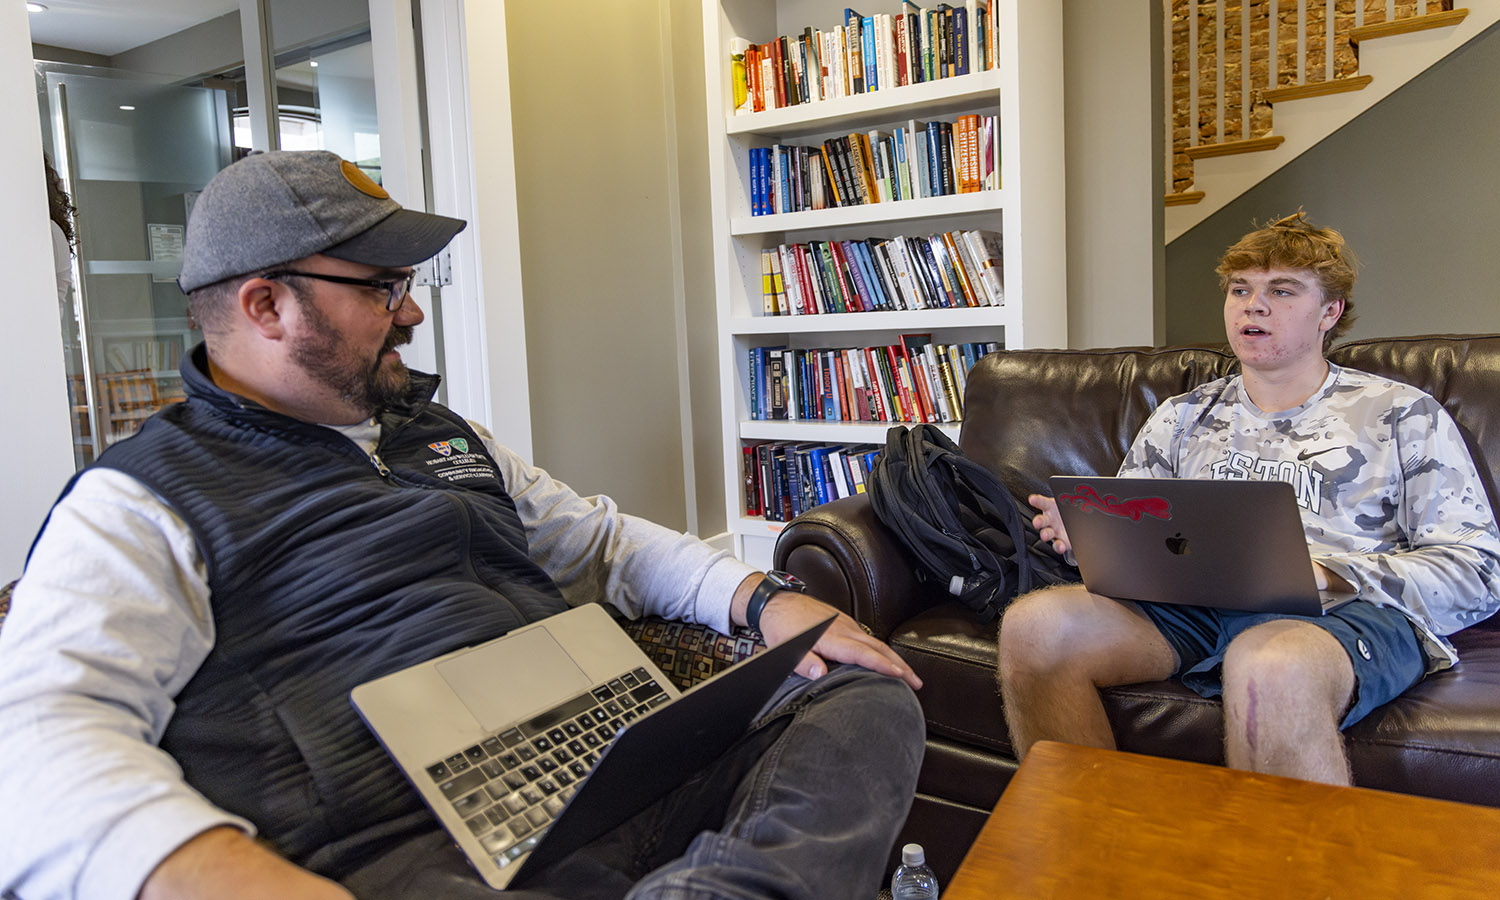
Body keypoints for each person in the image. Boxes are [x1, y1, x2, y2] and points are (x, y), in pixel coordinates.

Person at [0, 150, 926, 900]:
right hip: (406, 847)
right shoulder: (141, 500)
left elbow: (600, 542)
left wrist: (759, 595)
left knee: (864, 695)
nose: (409, 313)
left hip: (599, 761)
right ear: (264, 304)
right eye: (379, 287)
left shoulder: (441, 434)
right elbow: (40, 737)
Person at [997, 211, 1500, 786]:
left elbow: (1479, 571)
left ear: (1329, 313)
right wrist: (1088, 539)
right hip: (1194, 606)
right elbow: (1139, 549)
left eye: (1281, 291)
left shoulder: (1400, 413)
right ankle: (1097, 855)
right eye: (1241, 290)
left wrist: (1325, 574)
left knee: (1269, 664)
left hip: (1344, 613)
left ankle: (1293, 879)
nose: (1253, 306)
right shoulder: (1182, 417)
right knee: (1035, 627)